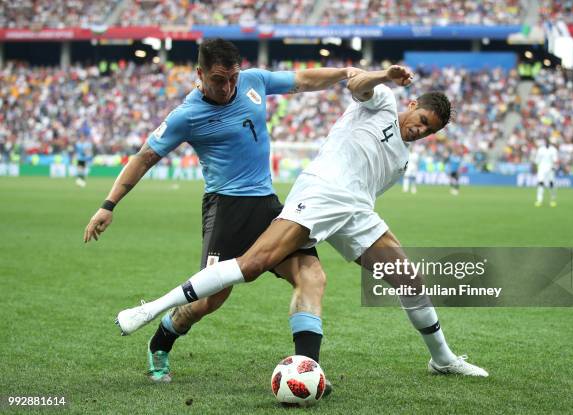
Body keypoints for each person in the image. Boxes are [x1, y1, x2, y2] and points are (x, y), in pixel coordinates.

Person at [116, 65, 489, 377]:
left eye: (430, 131)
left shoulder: (403, 161)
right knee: (251, 266)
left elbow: (366, 188)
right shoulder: (384, 102)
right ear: (412, 105)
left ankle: (441, 359)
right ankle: (150, 311)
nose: (422, 130)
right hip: (322, 190)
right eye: (422, 120)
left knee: (406, 277)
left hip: (356, 209)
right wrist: (382, 75)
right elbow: (356, 85)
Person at [84, 38, 360, 386]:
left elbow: (302, 80)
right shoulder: (186, 115)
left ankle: (306, 371)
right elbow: (143, 157)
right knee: (208, 302)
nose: (228, 87)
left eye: (232, 77)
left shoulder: (254, 81)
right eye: (218, 79)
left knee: (312, 276)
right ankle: (161, 340)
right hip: (226, 210)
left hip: (269, 207)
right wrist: (108, 205)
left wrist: (345, 73)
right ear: (199, 74)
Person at [534, 139, 559, 207]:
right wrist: (536, 168)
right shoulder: (540, 149)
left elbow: (555, 160)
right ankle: (539, 200)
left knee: (551, 184)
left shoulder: (553, 150)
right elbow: (537, 160)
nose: (547, 143)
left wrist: (554, 167)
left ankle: (552, 200)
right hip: (541, 169)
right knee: (540, 183)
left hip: (550, 168)